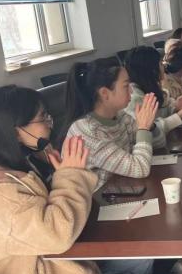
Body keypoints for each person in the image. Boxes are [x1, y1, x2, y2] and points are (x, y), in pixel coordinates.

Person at [0, 85, 160, 274]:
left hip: (56, 267)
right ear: (14, 130)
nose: (50, 123)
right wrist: (70, 175)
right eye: (43, 118)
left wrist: (60, 173)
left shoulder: (23, 162)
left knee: (138, 256)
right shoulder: (2, 192)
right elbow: (56, 235)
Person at [63, 57, 158, 189]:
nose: (131, 91)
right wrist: (143, 128)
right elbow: (140, 169)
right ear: (105, 93)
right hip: (95, 199)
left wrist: (149, 125)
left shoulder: (120, 116)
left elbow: (156, 143)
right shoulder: (86, 131)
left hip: (121, 188)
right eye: (126, 86)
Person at [124, 46, 182, 149]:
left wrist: (176, 107)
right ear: (151, 69)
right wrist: (179, 116)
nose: (163, 67)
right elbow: (150, 133)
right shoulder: (134, 98)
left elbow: (162, 112)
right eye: (160, 64)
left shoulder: (150, 87)